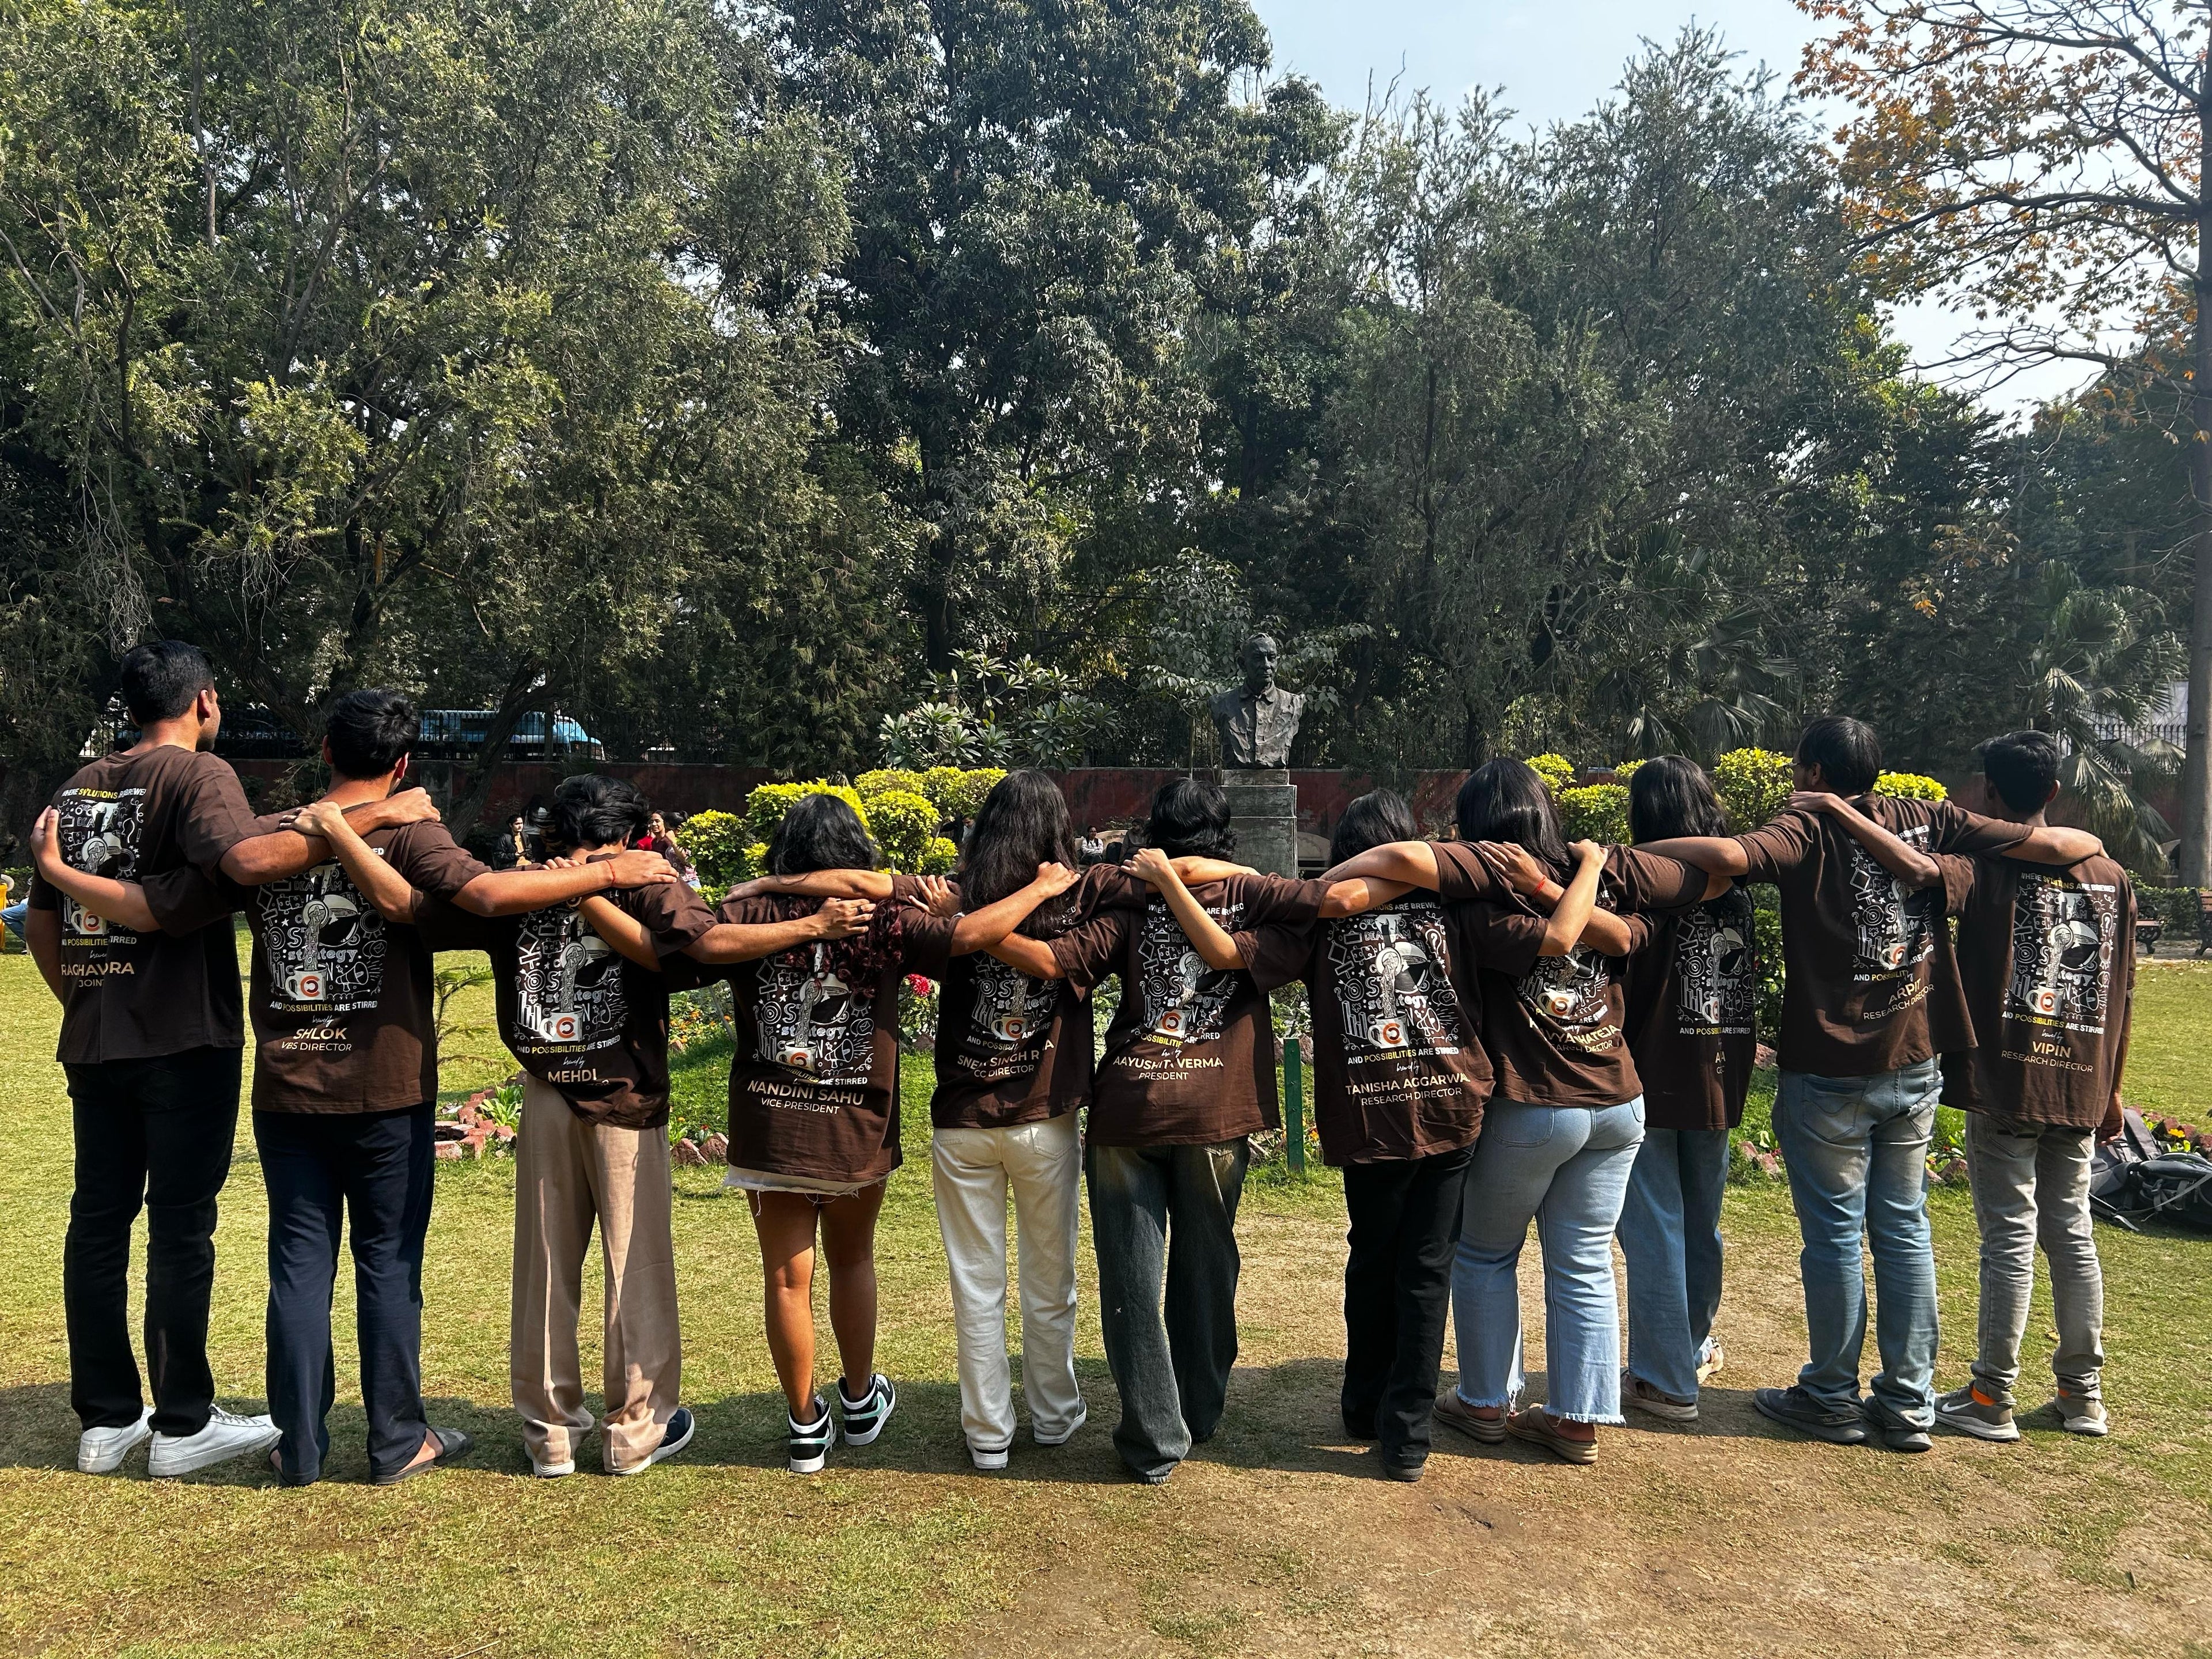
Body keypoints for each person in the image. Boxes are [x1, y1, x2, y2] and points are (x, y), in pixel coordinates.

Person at [1641, 715, 2104, 1453]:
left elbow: (1728, 855)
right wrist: (2092, 845)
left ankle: (1830, 1396)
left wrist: (1628, 854)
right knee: (1905, 1227)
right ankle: (1910, 1402)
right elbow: (2060, 845)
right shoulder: (1929, 818)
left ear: (1816, 773)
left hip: (1829, 1068)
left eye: (1799, 768)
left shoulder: (1805, 827)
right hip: (1914, 1059)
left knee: (1834, 1236)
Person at [21, 642, 426, 1479]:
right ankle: (180, 1423)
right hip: (180, 1040)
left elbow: (43, 923)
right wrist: (370, 819)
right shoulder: (200, 775)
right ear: (204, 702)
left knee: (96, 1223)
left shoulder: (76, 788)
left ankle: (105, 1419)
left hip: (95, 1040)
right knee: (178, 1226)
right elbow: (245, 862)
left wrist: (86, 1002)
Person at [702, 793, 1077, 1474]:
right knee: (852, 1262)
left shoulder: (747, 913)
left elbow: (703, 940)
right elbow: (966, 936)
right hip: (855, 1125)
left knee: (786, 1282)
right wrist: (1041, 889)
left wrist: (767, 890)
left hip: (770, 1122)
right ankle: (857, 1400)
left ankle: (805, 1425)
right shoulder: (883, 915)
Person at [994, 779, 1332, 1486]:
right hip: (1216, 1111)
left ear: (1157, 831)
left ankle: (1153, 1439)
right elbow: (1313, 913)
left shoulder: (1130, 897)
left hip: (1129, 1109)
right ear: (1223, 833)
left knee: (1130, 1278)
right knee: (1207, 1265)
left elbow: (1060, 958)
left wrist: (976, 925)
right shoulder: (1257, 896)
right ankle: (1199, 1410)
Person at [1244, 790, 1545, 1480]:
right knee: (1427, 1268)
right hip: (1450, 1106)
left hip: (1369, 1113)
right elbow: (1539, 943)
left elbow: (1259, 945)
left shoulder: (1325, 914)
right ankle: (1406, 1436)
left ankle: (1363, 1403)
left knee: (1374, 1256)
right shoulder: (1457, 905)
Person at [1925, 733, 2134, 1442]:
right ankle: (2083, 1396)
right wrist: (2110, 1089)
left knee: (2009, 1238)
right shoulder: (2110, 875)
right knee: (2071, 1233)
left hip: (2008, 1081)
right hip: (2080, 1085)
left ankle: (1991, 1396)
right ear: (2053, 791)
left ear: (1988, 792)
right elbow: (2121, 990)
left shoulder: (1983, 866)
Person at [1615, 757, 1760, 1423]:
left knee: (1653, 1228)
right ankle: (1692, 1347)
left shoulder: (1645, 889)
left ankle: (1663, 1377)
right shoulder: (1735, 890)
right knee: (1701, 1226)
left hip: (1649, 1071)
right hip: (1719, 1072)